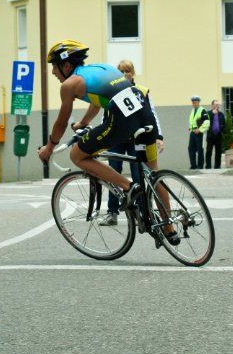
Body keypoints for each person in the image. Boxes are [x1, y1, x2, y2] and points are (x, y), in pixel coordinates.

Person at [37, 40, 178, 244]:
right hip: (144, 113)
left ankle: (128, 186)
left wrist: (49, 148)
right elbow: (98, 100)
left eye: (54, 67)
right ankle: (169, 227)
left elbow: (60, 123)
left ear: (66, 65)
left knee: (77, 154)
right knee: (153, 173)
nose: (53, 73)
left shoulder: (69, 85)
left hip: (122, 120)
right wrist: (84, 122)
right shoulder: (103, 68)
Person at [100, 59, 165, 226]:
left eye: (127, 71)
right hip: (117, 139)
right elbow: (105, 117)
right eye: (121, 71)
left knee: (140, 177)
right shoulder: (112, 91)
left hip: (137, 140)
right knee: (113, 175)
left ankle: (144, 214)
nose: (124, 74)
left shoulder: (141, 91)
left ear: (133, 73)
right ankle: (112, 213)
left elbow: (152, 115)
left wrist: (159, 137)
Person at [187, 95, 209, 169]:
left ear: (199, 102)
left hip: (199, 133)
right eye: (193, 102)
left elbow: (207, 122)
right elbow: (192, 122)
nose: (194, 104)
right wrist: (190, 128)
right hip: (193, 132)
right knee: (191, 148)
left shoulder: (202, 110)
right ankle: (193, 165)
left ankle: (200, 166)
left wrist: (200, 130)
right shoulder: (193, 111)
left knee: (200, 149)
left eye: (195, 102)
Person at [205, 99, 226, 169]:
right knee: (209, 152)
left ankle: (217, 166)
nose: (217, 105)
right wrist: (212, 114)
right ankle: (208, 166)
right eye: (215, 104)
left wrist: (221, 131)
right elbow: (204, 122)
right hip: (210, 136)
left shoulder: (221, 114)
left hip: (218, 136)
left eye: (218, 104)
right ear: (212, 105)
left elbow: (224, 124)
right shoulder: (208, 113)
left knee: (218, 152)